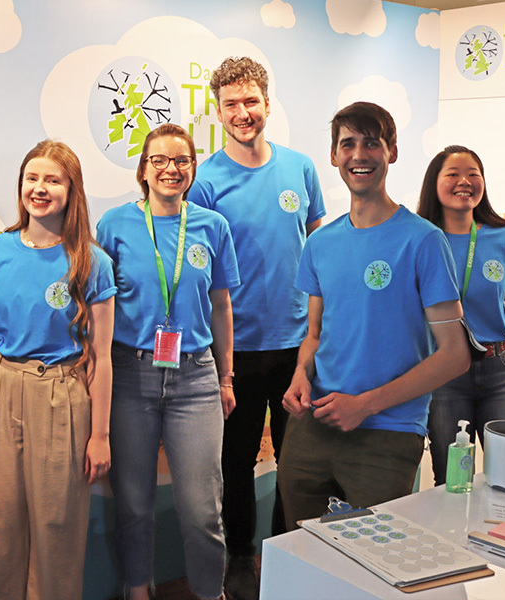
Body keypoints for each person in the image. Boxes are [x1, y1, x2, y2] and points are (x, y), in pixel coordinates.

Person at [278, 102, 471, 530]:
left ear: (392, 152)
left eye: (372, 143)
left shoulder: (423, 241)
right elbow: (313, 334)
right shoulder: (321, 243)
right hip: (314, 424)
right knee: (302, 552)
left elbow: (455, 355)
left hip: (388, 430)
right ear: (333, 155)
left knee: (374, 567)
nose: (359, 155)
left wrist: (364, 405)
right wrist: (299, 375)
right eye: (347, 144)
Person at [186, 56, 325, 599]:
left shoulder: (301, 168)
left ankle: (286, 550)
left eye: (251, 102)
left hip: (297, 344)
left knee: (297, 460)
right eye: (231, 105)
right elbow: (197, 269)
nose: (243, 113)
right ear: (218, 112)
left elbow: (319, 250)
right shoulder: (205, 181)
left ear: (268, 103)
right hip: (235, 351)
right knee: (235, 462)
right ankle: (240, 557)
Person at [0, 140, 116, 599]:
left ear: (72, 190)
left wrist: (100, 435)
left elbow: (101, 356)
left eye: (52, 180)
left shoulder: (91, 261)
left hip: (62, 392)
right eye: (32, 178)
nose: (39, 189)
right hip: (0, 388)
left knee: (57, 524)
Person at [98, 123, 239, 600]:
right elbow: (101, 307)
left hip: (196, 378)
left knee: (202, 508)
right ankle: (138, 590)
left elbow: (221, 306)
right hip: (130, 376)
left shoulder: (212, 226)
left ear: (193, 168)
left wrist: (226, 376)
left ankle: (208, 593)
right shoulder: (114, 226)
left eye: (181, 160)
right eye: (159, 160)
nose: (170, 169)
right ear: (143, 168)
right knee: (133, 504)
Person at [416, 145, 505, 485]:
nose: (465, 181)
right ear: (435, 183)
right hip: (442, 373)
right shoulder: (418, 240)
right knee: (452, 478)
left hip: (501, 368)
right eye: (453, 174)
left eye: (474, 174)